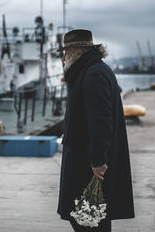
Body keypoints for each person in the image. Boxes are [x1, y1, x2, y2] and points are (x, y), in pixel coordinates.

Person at [57, 29, 135, 231]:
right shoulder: (91, 70)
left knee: (89, 220)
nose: (63, 57)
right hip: (86, 160)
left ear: (77, 52)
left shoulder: (93, 74)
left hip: (88, 165)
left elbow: (100, 121)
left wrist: (98, 160)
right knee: (91, 219)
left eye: (65, 52)